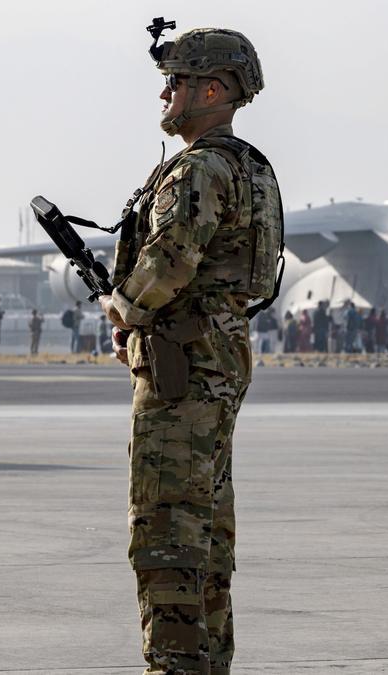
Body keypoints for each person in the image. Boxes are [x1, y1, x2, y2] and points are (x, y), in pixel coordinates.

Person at [96, 23, 280, 674]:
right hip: (221, 356)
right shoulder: (250, 167)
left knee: (167, 529)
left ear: (211, 89)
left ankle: (174, 665)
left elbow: (169, 262)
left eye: (174, 83)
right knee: (207, 531)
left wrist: (122, 310)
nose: (166, 96)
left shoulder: (199, 170)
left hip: (182, 368)